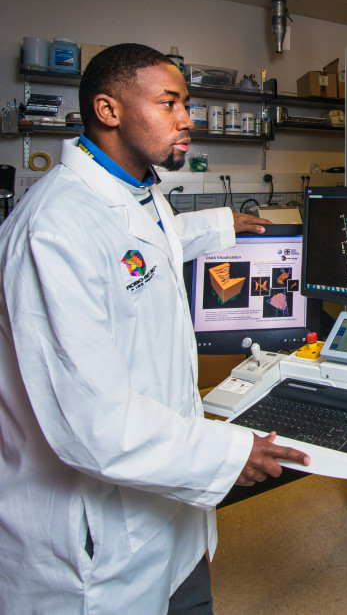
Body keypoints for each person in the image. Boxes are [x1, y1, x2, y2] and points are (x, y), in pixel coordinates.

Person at [0, 43, 310, 614]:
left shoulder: (138, 195)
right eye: (169, 104)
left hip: (168, 503)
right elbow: (95, 424)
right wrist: (227, 453)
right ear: (109, 110)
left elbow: (149, 241)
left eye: (186, 104)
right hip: (98, 542)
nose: (187, 119)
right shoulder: (54, 229)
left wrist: (225, 223)